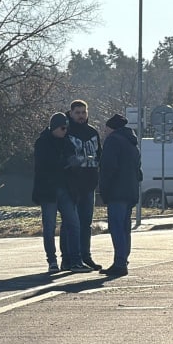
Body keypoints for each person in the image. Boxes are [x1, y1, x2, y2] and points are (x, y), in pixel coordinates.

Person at [32, 112, 92, 273]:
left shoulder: (67, 142)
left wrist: (76, 164)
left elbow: (72, 161)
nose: (65, 131)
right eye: (62, 128)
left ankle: (75, 260)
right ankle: (52, 260)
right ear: (54, 127)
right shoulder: (42, 142)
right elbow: (43, 166)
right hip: (48, 190)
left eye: (67, 128)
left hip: (66, 189)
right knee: (49, 226)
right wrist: (66, 163)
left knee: (74, 224)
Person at [98, 113, 142, 276]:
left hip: (117, 191)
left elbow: (108, 168)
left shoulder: (113, 141)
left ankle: (120, 263)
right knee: (124, 228)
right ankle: (123, 260)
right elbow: (139, 169)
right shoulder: (132, 143)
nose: (104, 131)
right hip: (130, 190)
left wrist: (104, 190)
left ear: (112, 128)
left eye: (106, 128)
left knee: (116, 227)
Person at [61, 99, 102, 270]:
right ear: (71, 113)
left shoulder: (92, 132)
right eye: (77, 112)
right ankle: (67, 258)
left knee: (86, 223)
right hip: (71, 185)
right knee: (70, 223)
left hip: (89, 184)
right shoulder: (66, 132)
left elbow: (99, 154)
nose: (81, 116)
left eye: (83, 112)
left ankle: (86, 256)